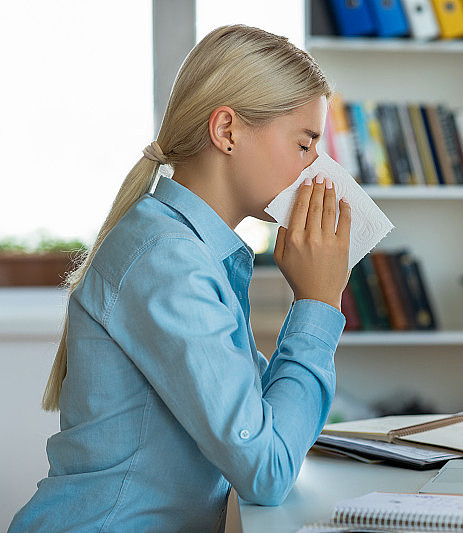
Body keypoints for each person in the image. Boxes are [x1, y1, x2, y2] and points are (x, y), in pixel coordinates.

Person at [9, 25, 351, 532]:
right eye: (304, 145)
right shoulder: (170, 261)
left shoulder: (191, 250)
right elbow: (267, 469)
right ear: (227, 131)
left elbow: (257, 423)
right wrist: (319, 303)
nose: (314, 170)